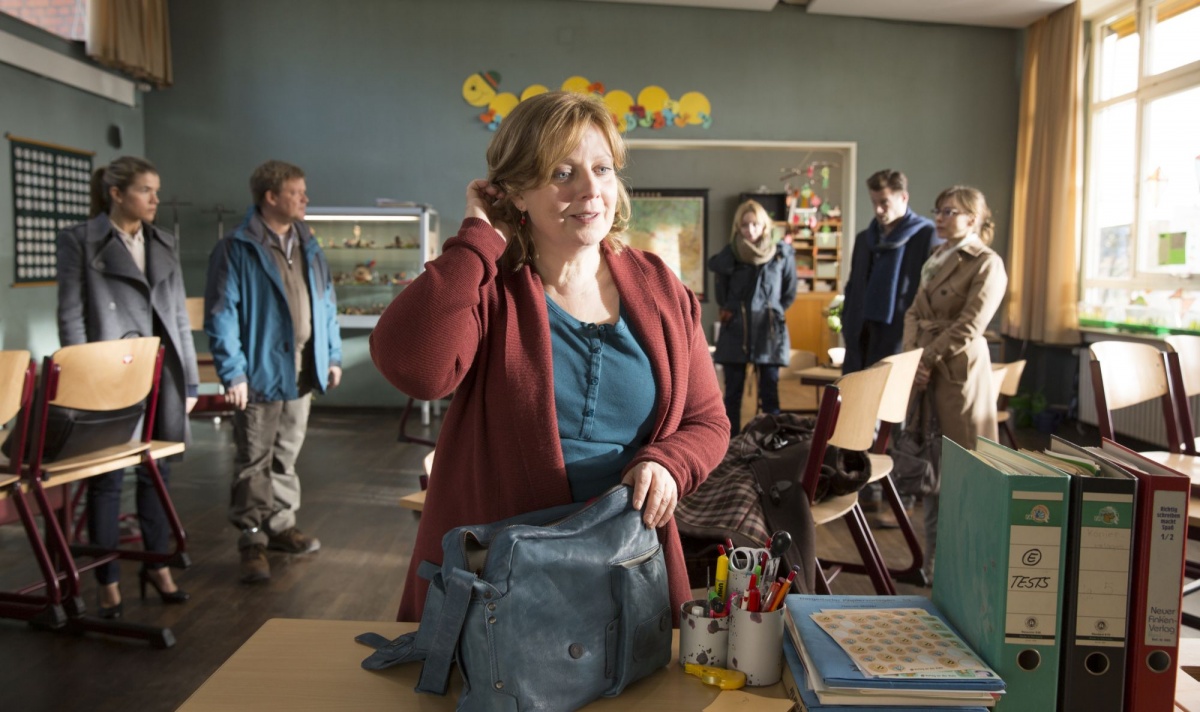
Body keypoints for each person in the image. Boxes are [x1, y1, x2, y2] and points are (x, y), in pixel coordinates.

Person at [369, 91, 729, 623]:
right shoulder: (487, 287)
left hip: (629, 569)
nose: (591, 190)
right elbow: (414, 368)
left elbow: (708, 421)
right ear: (515, 193)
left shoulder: (659, 287)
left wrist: (668, 463)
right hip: (502, 590)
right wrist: (476, 241)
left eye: (602, 169)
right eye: (562, 173)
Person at [56, 155, 197, 618]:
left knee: (158, 473)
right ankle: (108, 580)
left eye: (156, 190)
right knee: (106, 480)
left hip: (159, 374)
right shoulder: (79, 240)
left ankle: (157, 566)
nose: (155, 199)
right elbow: (71, 315)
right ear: (116, 194)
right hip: (108, 376)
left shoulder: (163, 241)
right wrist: (84, 378)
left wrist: (189, 380)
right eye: (145, 190)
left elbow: (178, 317)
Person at [204, 160, 343, 584]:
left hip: (303, 369)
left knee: (286, 454)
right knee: (253, 460)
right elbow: (222, 315)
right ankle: (252, 540)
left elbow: (327, 303)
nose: (305, 199)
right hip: (259, 373)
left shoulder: (309, 244)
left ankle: (281, 527)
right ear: (270, 196)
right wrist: (233, 373)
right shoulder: (236, 248)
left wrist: (332, 356)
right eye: (296, 192)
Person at [902, 185, 1007, 578]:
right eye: (938, 210)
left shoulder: (986, 263)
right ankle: (932, 564)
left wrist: (927, 358)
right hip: (925, 370)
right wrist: (914, 359)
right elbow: (913, 312)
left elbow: (971, 324)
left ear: (973, 218)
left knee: (963, 472)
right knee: (932, 469)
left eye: (950, 211)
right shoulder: (937, 256)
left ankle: (968, 564)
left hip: (957, 373)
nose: (940, 218)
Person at [708, 199, 797, 436]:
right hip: (736, 331)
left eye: (755, 224)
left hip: (769, 332)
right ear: (738, 227)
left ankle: (770, 445)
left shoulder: (781, 254)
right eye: (745, 225)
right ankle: (730, 446)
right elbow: (722, 296)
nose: (750, 230)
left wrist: (772, 312)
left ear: (764, 225)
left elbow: (788, 293)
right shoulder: (728, 257)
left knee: (770, 395)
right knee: (731, 396)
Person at [841, 169, 941, 375]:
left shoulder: (926, 235)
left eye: (884, 202)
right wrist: (847, 322)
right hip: (859, 335)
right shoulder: (864, 239)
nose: (878, 210)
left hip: (899, 336)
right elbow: (853, 286)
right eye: (874, 202)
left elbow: (933, 293)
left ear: (903, 197)